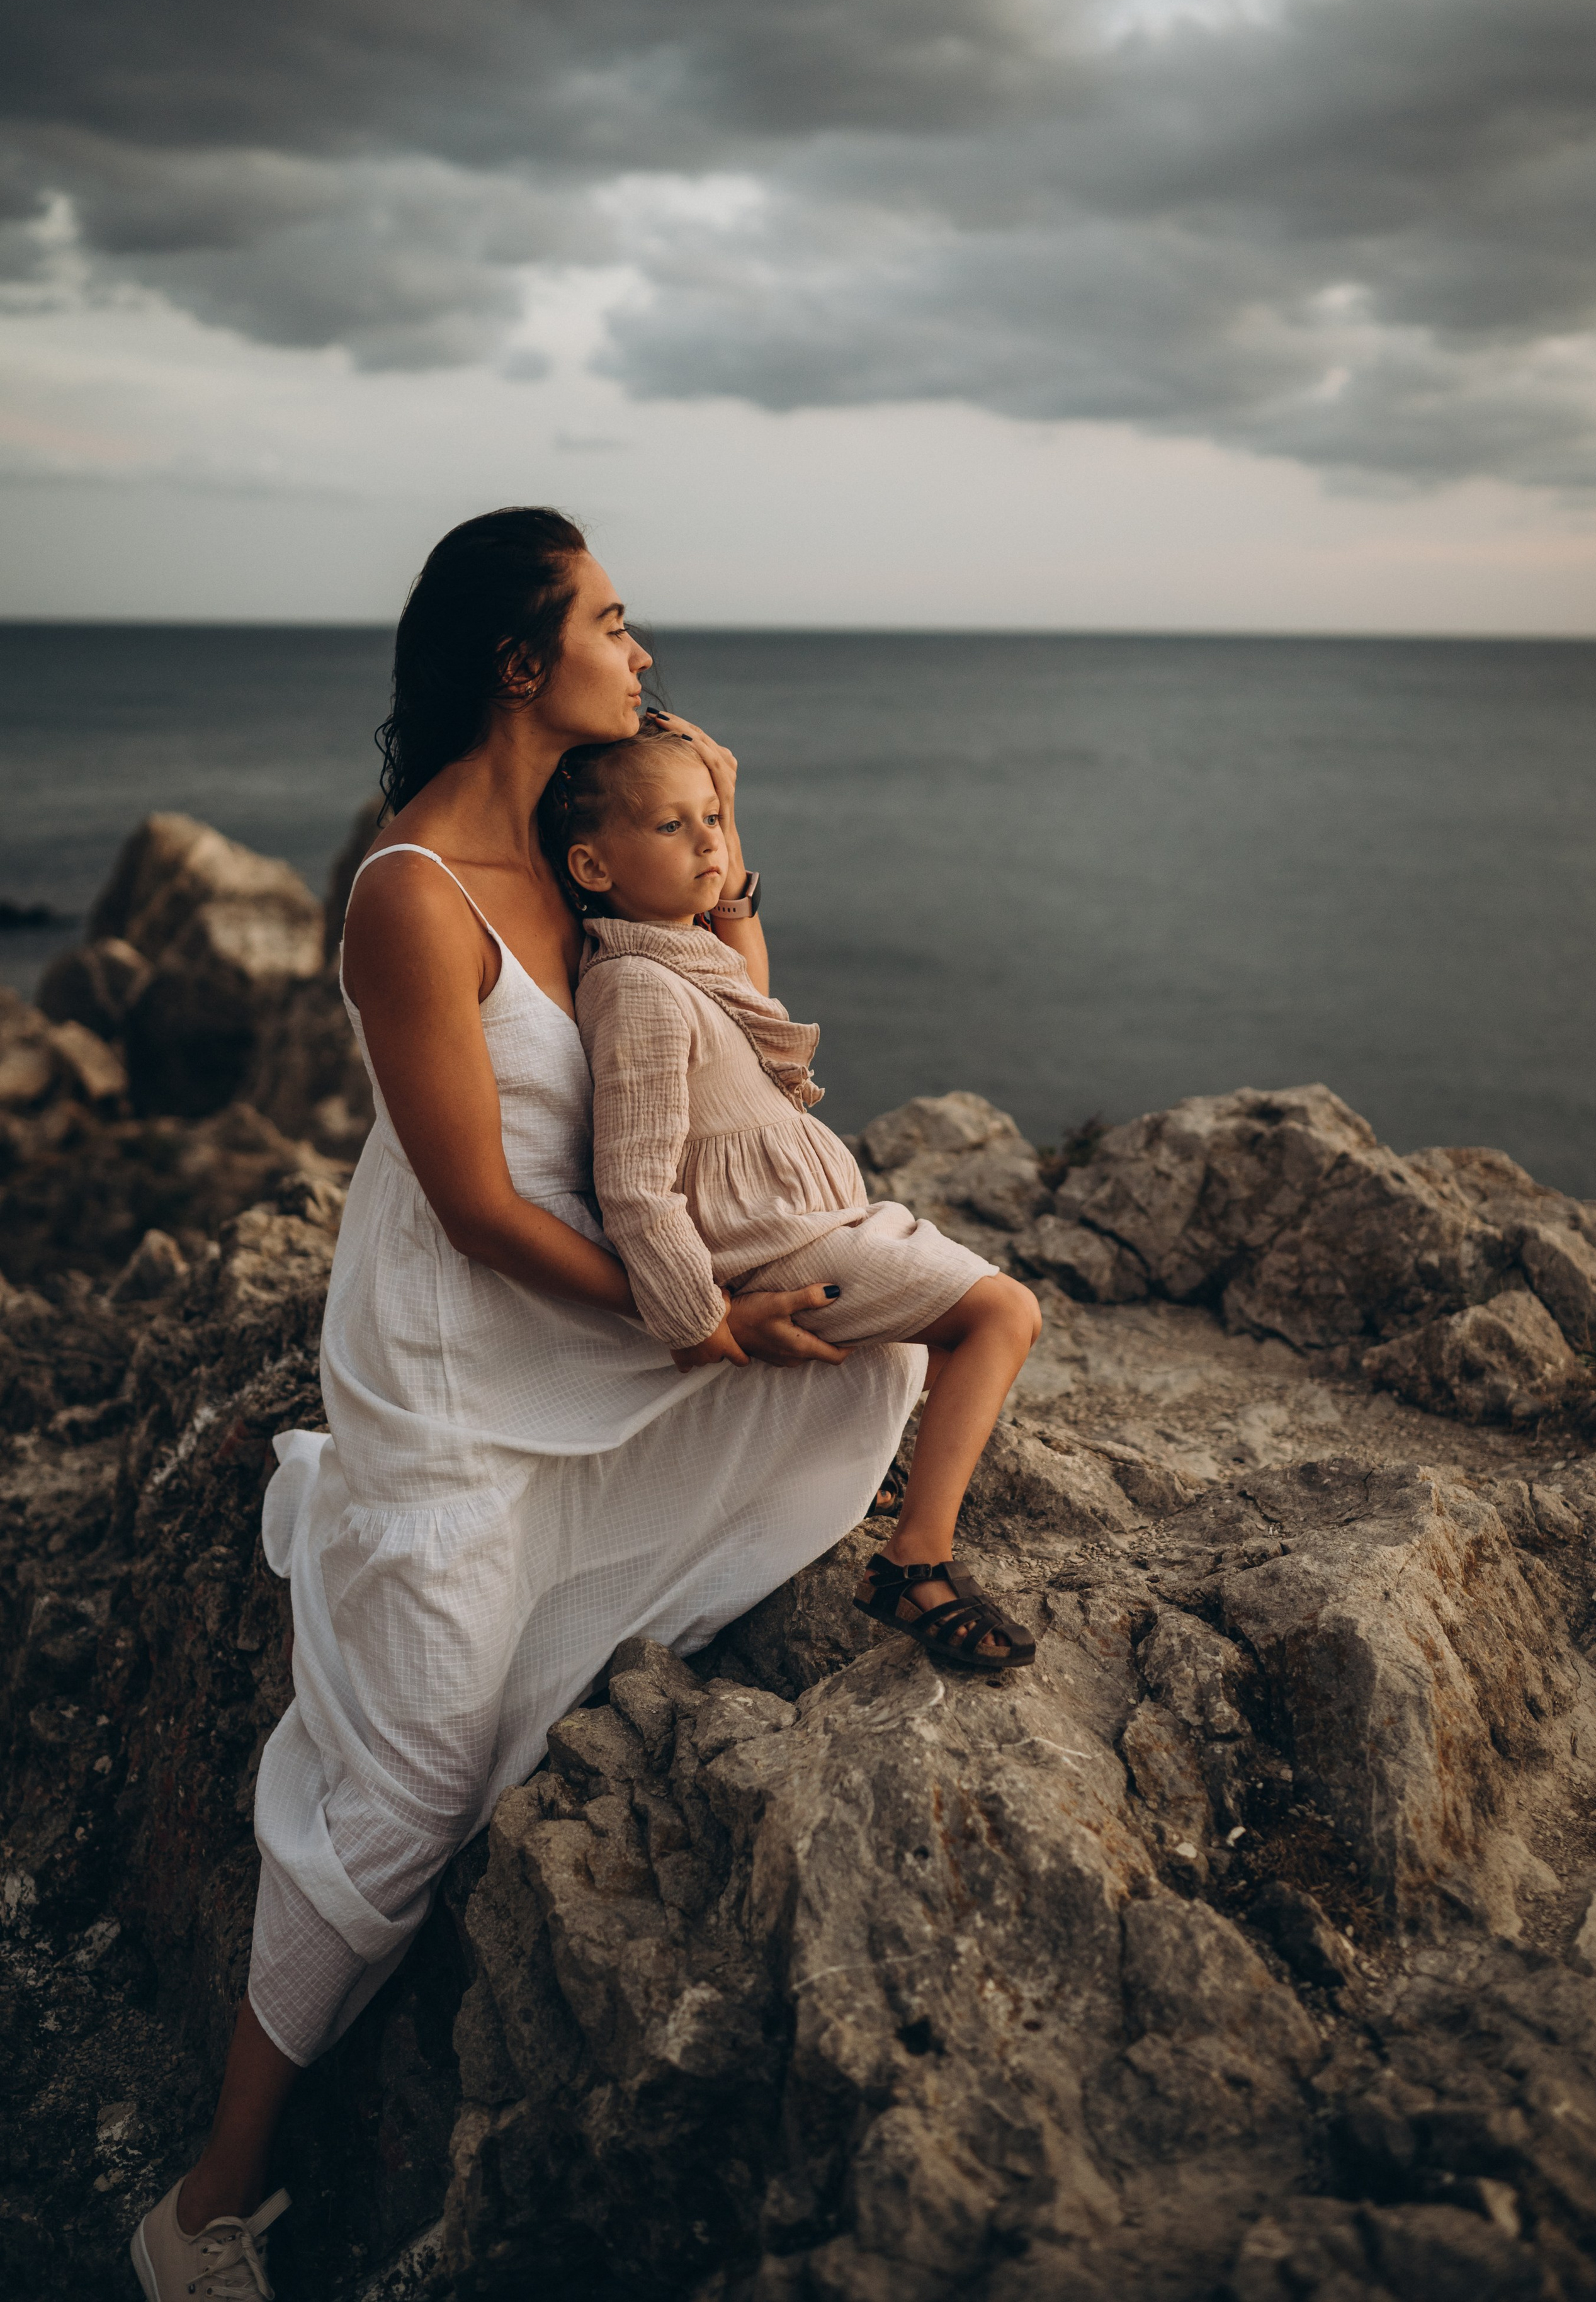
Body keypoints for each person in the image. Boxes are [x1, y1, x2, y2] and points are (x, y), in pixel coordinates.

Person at [131, 508, 932, 2302]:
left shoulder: (590, 868)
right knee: (410, 1794)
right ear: (522, 663)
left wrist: (726, 859)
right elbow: (483, 1211)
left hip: (599, 1326)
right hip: (452, 1361)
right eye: (613, 623)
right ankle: (202, 2206)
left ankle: (551, 1614)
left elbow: (746, 1050)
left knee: (874, 1349)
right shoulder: (408, 893)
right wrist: (706, 1321)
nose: (642, 652)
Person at [543, 728, 1042, 1670]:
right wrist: (702, 1321)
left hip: (814, 1223)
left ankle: (888, 1480)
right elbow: (636, 1186)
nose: (709, 844)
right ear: (592, 863)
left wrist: (726, 828)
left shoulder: (677, 953)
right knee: (1001, 1313)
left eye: (715, 823)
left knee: (963, 1323)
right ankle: (915, 1562)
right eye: (672, 825)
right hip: (770, 1248)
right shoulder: (635, 990)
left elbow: (752, 1004)